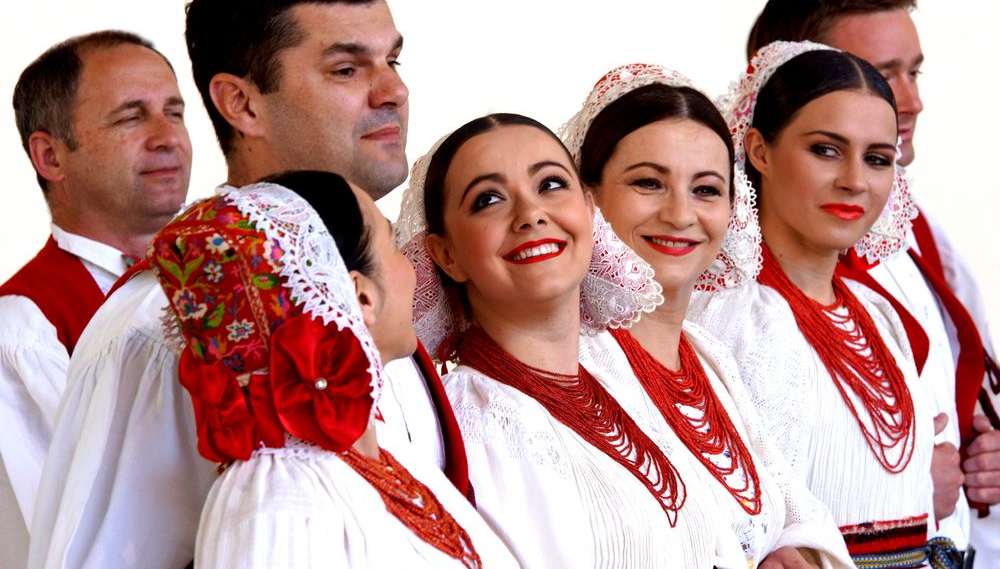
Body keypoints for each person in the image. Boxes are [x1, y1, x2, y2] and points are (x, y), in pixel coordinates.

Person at [29, 0, 460, 569]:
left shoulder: (398, 286)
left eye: (392, 60)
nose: (392, 90)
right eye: (347, 69)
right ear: (242, 103)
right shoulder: (167, 320)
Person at [396, 113, 748, 568]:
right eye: (488, 199)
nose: (530, 214)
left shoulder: (622, 384)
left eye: (549, 185)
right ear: (446, 255)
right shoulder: (469, 424)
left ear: (588, 210)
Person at [747, 0, 1000, 557]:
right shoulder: (733, 284)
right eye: (882, 73)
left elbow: (970, 383)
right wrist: (912, 482)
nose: (910, 99)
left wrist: (983, 457)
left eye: (913, 72)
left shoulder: (918, 235)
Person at [560, 63, 853, 568]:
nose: (680, 214)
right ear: (588, 197)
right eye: (649, 183)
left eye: (706, 190)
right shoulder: (568, 364)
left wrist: (789, 550)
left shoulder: (708, 354)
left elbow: (793, 507)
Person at [147, 171, 515, 567]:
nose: (410, 266)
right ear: (360, 296)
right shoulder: (280, 500)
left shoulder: (378, 452)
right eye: (392, 244)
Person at [688, 41, 953, 565]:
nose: (854, 180)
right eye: (825, 150)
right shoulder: (723, 316)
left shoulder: (877, 315)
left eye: (877, 159)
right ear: (759, 150)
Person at [0, 31, 191, 569]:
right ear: (51, 156)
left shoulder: (216, 279)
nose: (167, 137)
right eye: (131, 118)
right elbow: (62, 540)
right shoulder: (22, 330)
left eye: (174, 113)